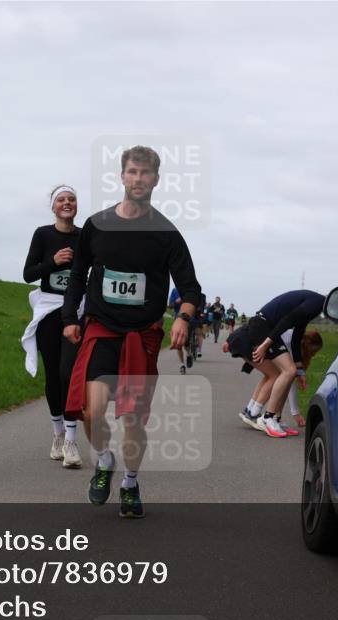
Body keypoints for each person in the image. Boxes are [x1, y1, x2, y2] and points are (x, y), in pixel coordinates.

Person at [61, 145, 202, 519]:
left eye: (146, 173)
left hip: (142, 334)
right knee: (91, 409)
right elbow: (78, 275)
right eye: (132, 172)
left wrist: (184, 318)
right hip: (102, 329)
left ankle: (130, 482)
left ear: (156, 179)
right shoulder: (97, 224)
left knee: (133, 418)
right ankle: (105, 461)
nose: (138, 179)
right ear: (122, 176)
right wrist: (69, 318)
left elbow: (190, 288)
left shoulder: (166, 233)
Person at [21, 185, 83, 467]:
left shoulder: (85, 236)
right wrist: (53, 262)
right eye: (62, 199)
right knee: (53, 377)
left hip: (75, 311)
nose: (67, 203)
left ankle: (71, 440)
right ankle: (57, 433)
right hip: (48, 310)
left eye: (71, 199)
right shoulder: (43, 234)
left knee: (68, 374)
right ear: (53, 206)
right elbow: (28, 274)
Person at [225, 290, 324, 438]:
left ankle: (275, 419)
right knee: (287, 371)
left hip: (265, 325)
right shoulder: (317, 303)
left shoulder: (313, 304)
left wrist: (301, 371)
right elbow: (287, 321)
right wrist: (265, 345)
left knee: (290, 372)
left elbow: (297, 337)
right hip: (264, 326)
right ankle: (267, 418)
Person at [168, 286, 187, 374]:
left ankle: (190, 353)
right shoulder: (174, 290)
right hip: (177, 318)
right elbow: (170, 306)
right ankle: (182, 364)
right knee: (179, 343)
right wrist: (176, 301)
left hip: (188, 319)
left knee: (186, 343)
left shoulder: (189, 289)